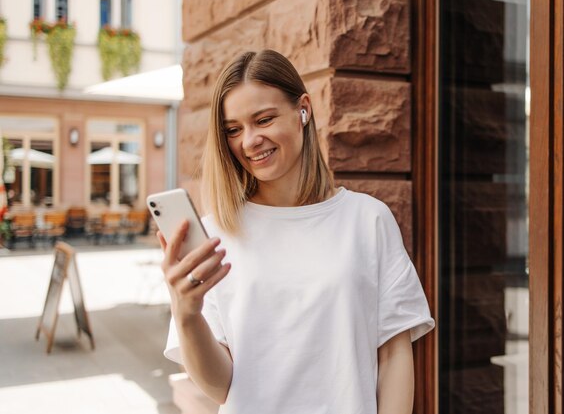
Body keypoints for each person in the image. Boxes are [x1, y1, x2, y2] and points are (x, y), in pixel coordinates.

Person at [158, 49, 435, 414]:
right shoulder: (216, 236)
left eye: (264, 119)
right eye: (234, 130)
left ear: (303, 109)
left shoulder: (368, 220)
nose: (250, 140)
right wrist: (186, 313)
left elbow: (395, 355)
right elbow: (220, 387)